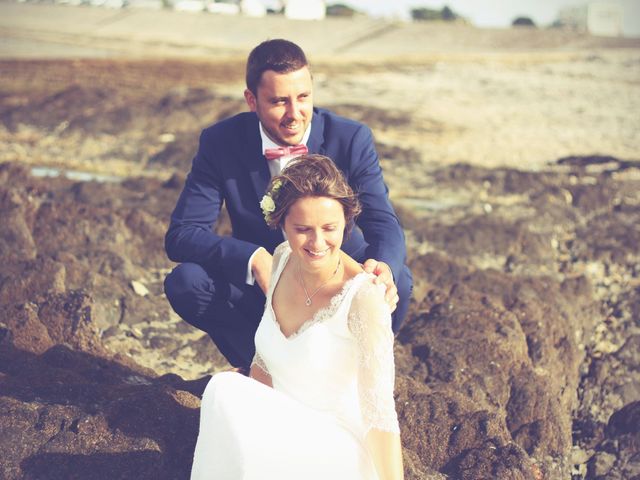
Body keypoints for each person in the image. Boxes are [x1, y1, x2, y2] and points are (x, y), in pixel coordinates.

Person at [164, 38, 413, 369]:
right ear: (251, 100)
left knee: (402, 281)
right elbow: (182, 234)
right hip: (266, 289)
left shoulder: (351, 138)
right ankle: (264, 366)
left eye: (303, 97)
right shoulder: (220, 142)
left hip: (337, 283)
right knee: (187, 282)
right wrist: (253, 258)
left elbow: (383, 222)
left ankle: (353, 370)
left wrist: (383, 268)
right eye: (279, 101)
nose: (295, 115)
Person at [190, 155, 404, 480]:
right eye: (303, 229)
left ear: (347, 221)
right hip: (282, 422)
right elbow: (264, 360)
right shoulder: (282, 258)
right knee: (224, 390)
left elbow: (380, 415)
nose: (318, 243)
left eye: (330, 228)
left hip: (334, 446)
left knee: (225, 391)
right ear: (281, 223)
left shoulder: (364, 298)